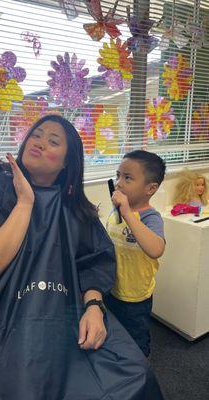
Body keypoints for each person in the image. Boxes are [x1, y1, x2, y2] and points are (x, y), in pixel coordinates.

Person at [0, 116, 163, 400]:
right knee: (20, 387)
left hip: (69, 310)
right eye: (36, 135)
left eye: (53, 141)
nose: (40, 142)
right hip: (7, 316)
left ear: (67, 162)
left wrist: (93, 307)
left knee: (136, 376)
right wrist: (26, 203)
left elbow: (94, 262)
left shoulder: (75, 207)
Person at [105, 150, 166, 358]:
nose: (119, 183)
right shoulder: (115, 213)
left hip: (135, 299)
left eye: (127, 178)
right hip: (112, 290)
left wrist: (129, 215)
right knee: (114, 334)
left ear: (150, 188)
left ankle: (140, 376)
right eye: (118, 175)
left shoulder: (150, 218)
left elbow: (156, 249)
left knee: (136, 343)